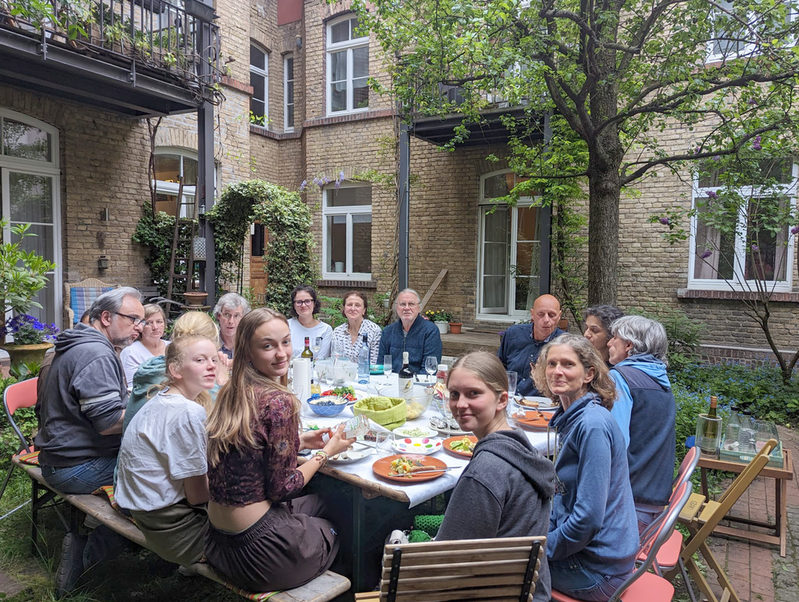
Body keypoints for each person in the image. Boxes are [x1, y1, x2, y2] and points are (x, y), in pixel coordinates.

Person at [204, 308, 355, 592]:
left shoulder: (232, 391)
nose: (282, 353)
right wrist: (326, 453)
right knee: (349, 518)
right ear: (247, 351)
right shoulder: (278, 401)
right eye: (268, 346)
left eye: (286, 342)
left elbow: (251, 445)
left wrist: (300, 440)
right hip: (261, 554)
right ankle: (350, 585)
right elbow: (283, 489)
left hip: (218, 543)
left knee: (329, 500)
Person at [33, 287, 144, 596]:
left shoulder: (78, 343)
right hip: (75, 466)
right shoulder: (95, 353)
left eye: (142, 321)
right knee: (158, 474)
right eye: (134, 319)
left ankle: (104, 543)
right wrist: (151, 409)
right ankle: (91, 556)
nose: (140, 327)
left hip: (60, 458)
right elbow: (109, 423)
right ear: (106, 317)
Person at [436, 351, 556, 602]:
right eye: (454, 394)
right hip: (530, 590)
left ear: (502, 400)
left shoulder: (485, 472)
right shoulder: (523, 449)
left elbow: (446, 563)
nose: (460, 404)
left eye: (473, 393)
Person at [533, 334, 638, 601]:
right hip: (591, 556)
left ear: (589, 373)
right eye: (552, 363)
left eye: (568, 364)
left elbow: (588, 518)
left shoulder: (592, 426)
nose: (557, 371)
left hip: (599, 571)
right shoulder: (575, 418)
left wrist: (540, 551)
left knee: (502, 569)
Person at [115, 335, 217, 566]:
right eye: (200, 360)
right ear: (176, 370)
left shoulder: (162, 399)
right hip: (177, 531)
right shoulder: (187, 411)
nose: (211, 365)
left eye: (213, 359)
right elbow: (198, 495)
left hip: (146, 516)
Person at [607, 315, 676, 532]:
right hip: (653, 501)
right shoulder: (660, 380)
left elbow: (614, 443)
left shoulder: (620, 378)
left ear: (629, 345)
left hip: (627, 507)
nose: (609, 343)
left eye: (614, 338)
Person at [123, 311, 227, 433]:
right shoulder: (188, 384)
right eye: (201, 359)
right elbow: (220, 430)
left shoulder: (150, 367)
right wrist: (222, 384)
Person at [498, 294, 565, 396]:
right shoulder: (513, 334)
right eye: (541, 314)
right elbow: (499, 367)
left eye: (552, 315)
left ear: (559, 316)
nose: (546, 320)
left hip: (546, 405)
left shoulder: (565, 344)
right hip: (511, 401)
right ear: (532, 314)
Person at [377, 288, 442, 374]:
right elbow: (381, 365)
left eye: (411, 304)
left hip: (418, 383)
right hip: (391, 382)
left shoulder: (430, 331)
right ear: (397, 308)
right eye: (403, 304)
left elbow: (429, 368)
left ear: (419, 308)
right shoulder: (388, 331)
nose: (406, 308)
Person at [120, 303, 169, 387]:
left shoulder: (172, 347)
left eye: (159, 322)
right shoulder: (131, 353)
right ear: (140, 326)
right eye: (149, 323)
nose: (155, 327)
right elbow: (132, 387)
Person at [331, 291, 382, 364]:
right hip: (341, 374)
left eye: (357, 305)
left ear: (364, 310)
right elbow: (334, 361)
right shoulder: (337, 332)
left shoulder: (374, 331)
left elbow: (374, 364)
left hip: (365, 374)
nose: (353, 308)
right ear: (344, 309)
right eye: (349, 305)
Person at [288, 285, 333, 359]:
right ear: (294, 305)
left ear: (314, 303)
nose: (303, 305)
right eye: (299, 302)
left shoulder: (325, 330)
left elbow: (322, 360)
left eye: (307, 301)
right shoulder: (286, 326)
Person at [213, 293, 251, 360]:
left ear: (243, 318)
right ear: (219, 316)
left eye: (236, 316)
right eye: (227, 314)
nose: (231, 321)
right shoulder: (210, 342)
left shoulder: (249, 343)